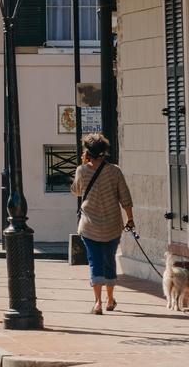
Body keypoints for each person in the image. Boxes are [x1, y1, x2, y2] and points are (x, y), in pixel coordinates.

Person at [71, 132, 134, 314]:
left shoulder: (82, 170)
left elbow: (76, 191)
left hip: (89, 226)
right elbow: (125, 197)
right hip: (112, 225)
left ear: (87, 152)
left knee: (94, 262)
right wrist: (130, 218)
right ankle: (110, 299)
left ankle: (97, 302)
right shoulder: (114, 170)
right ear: (104, 151)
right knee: (109, 261)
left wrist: (82, 166)